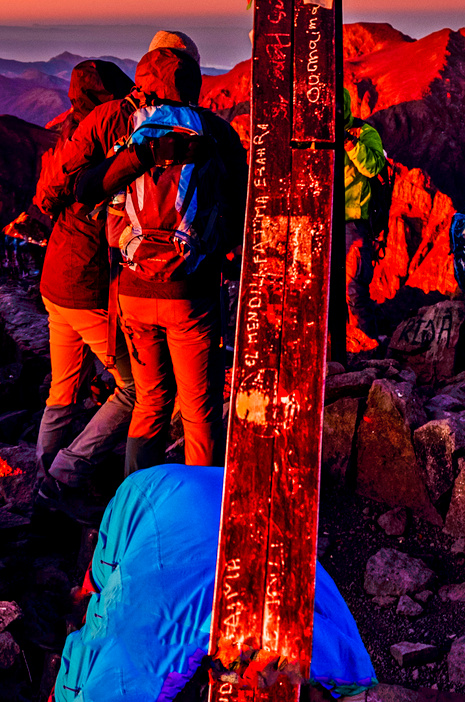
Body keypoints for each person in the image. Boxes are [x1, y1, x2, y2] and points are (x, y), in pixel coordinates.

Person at [62, 43, 245, 474]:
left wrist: (138, 156)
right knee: (200, 412)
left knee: (150, 402)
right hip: (191, 295)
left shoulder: (131, 132)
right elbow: (240, 205)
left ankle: (137, 505)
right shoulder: (217, 132)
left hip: (134, 291)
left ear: (144, 84)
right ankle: (200, 512)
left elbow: (86, 189)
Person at [54, 464, 376, 701]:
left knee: (110, 618)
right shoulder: (322, 645)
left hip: (178, 494)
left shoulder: (329, 647)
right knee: (110, 625)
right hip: (195, 503)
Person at [30, 59, 141, 510]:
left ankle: (42, 487)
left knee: (63, 389)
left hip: (55, 280)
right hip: (85, 285)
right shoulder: (103, 144)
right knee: (137, 388)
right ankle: (64, 473)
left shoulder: (69, 140)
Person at [340, 106, 387, 353]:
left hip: (353, 223)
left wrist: (349, 142)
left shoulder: (364, 133)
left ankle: (367, 350)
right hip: (322, 221)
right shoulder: (314, 132)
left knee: (354, 292)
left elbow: (374, 167)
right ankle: (332, 349)